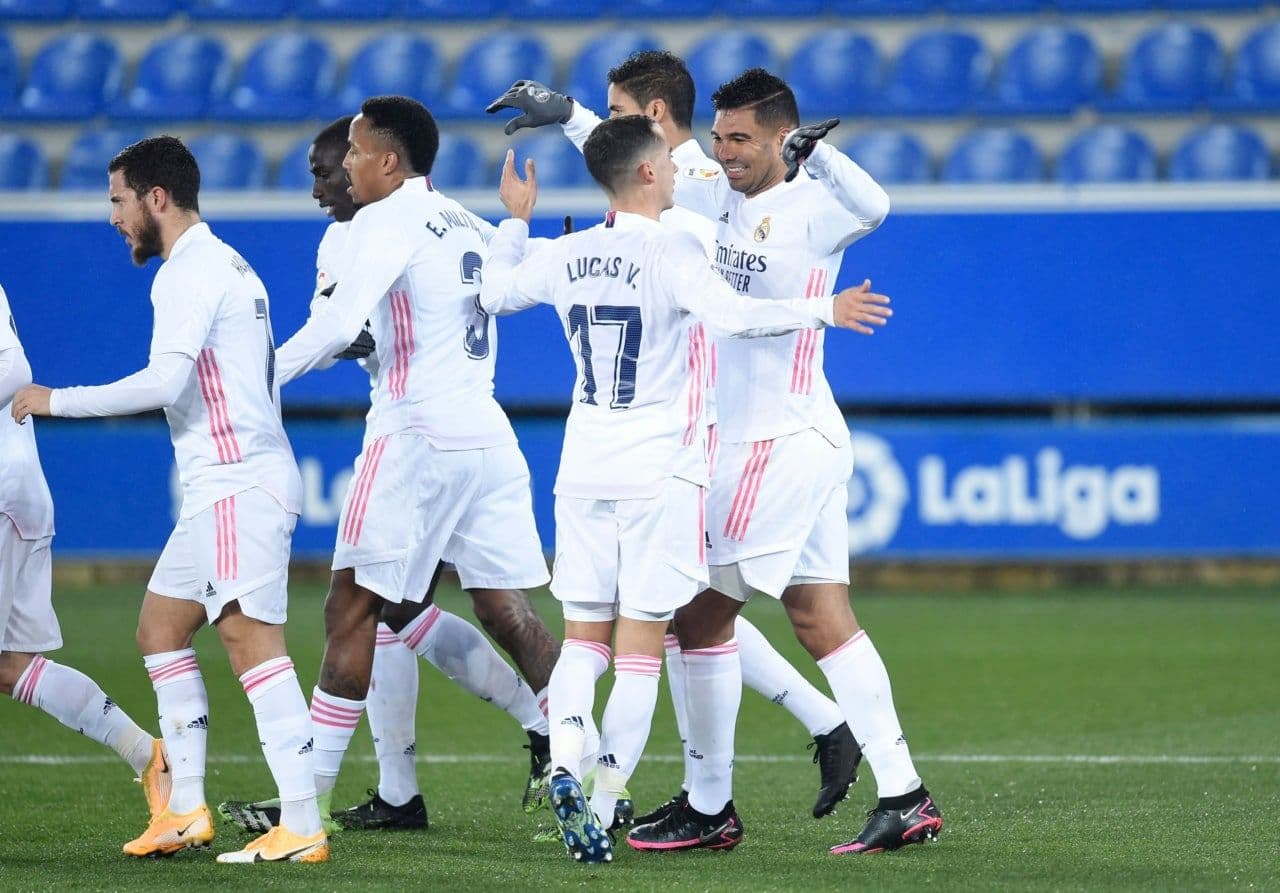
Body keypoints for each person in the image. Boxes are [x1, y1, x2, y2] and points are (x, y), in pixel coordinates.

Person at [479, 114, 891, 862]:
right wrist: (821, 310)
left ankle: (565, 761)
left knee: (583, 641)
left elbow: (495, 294)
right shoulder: (673, 250)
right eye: (667, 164)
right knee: (641, 649)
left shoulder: (565, 252)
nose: (678, 171)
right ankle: (604, 796)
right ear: (646, 172)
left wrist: (514, 221)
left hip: (582, 470)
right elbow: (736, 315)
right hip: (659, 472)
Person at [619, 69, 941, 856]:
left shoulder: (814, 209)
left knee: (693, 617)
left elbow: (877, 205)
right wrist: (568, 116)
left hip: (777, 443)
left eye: (742, 140)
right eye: (720, 136)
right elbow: (641, 143)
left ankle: (709, 805)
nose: (726, 151)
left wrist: (816, 155)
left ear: (780, 140)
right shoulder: (714, 191)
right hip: (786, 440)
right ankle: (905, 794)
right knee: (823, 620)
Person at [217, 115, 557, 837]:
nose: (341, 168)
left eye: (352, 154)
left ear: (390, 162)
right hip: (484, 434)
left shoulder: (383, 219)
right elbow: (501, 285)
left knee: (351, 609)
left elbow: (334, 326)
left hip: (414, 436)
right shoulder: (461, 218)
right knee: (497, 612)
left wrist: (249, 383)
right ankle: (585, 764)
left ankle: (304, 805)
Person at [10, 136, 327, 864]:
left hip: (236, 482)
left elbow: (164, 382)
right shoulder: (227, 263)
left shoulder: (188, 271)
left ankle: (303, 822)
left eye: (119, 200)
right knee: (160, 628)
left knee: (250, 641)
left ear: (157, 198)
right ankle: (184, 807)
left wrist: (56, 399)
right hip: (227, 483)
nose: (113, 218)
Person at [0, 282, 171, 833]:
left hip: (4, 491)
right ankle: (147, 753)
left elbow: (14, 368)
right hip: (18, 491)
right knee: (11, 666)